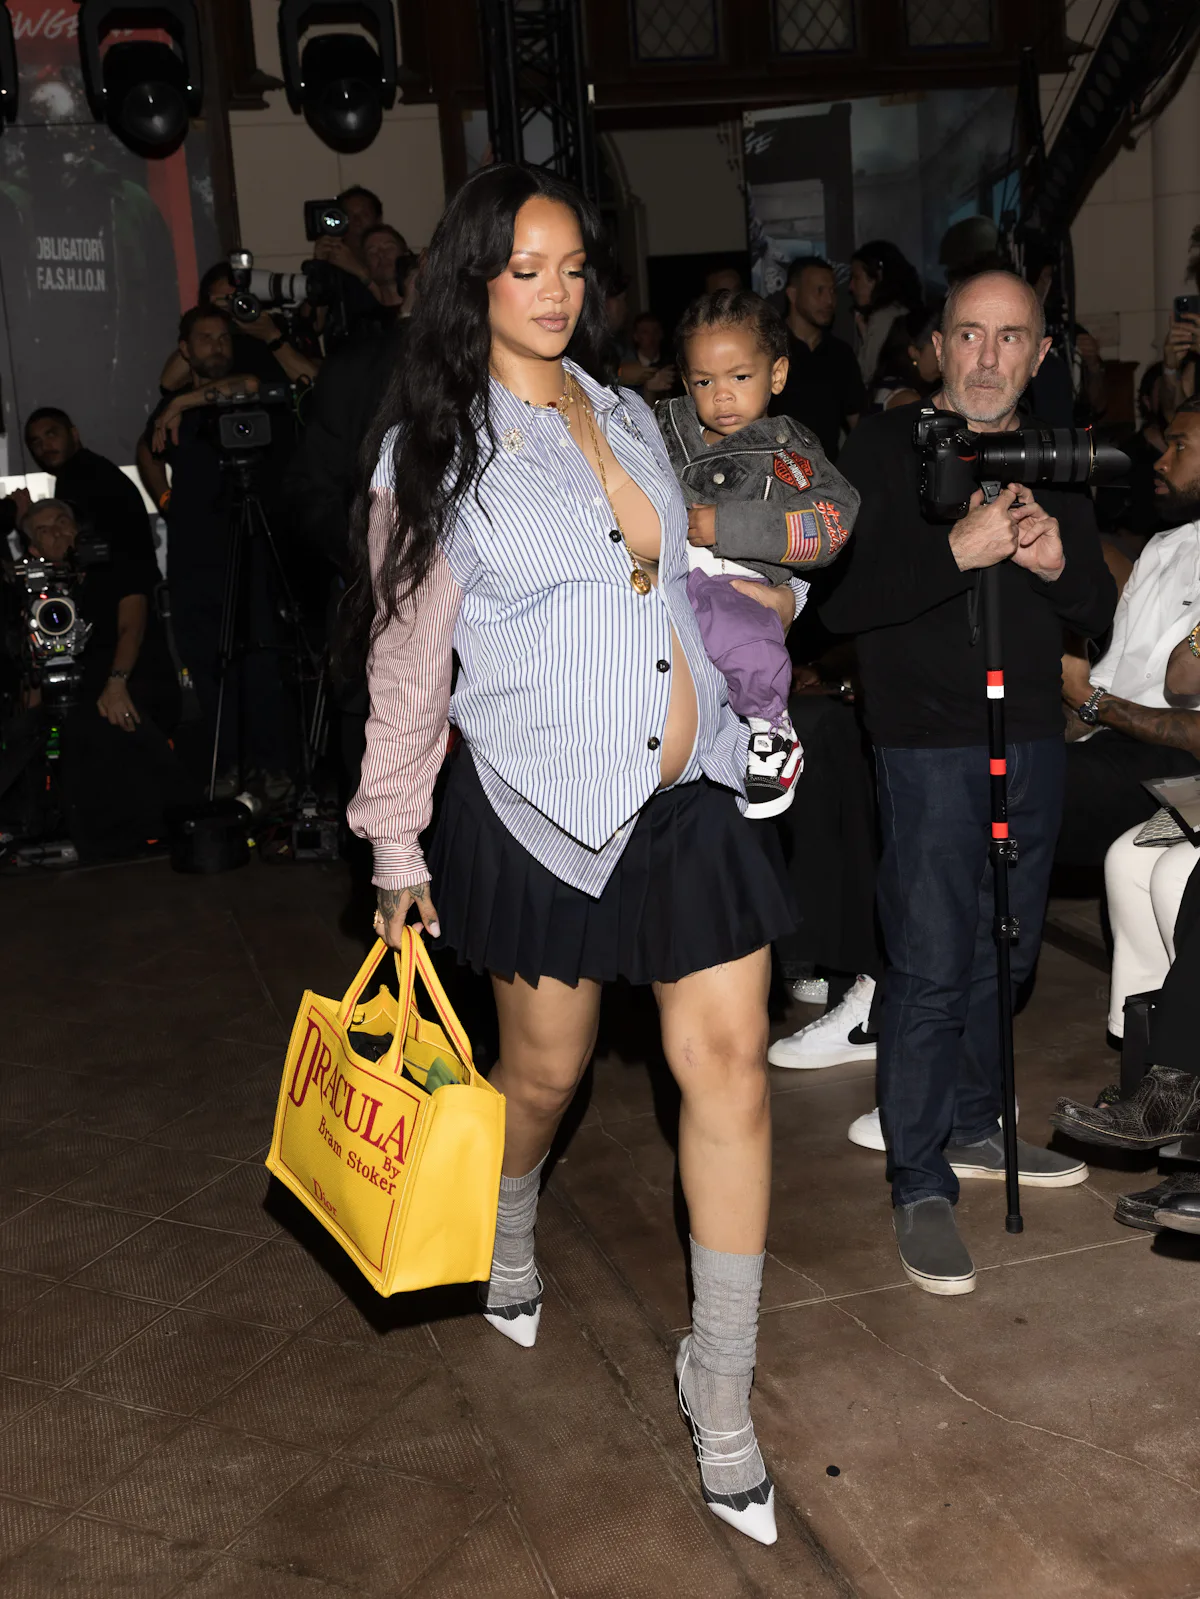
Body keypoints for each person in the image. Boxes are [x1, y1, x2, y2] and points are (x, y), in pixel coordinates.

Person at [345, 163, 800, 1546]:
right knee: (543, 1073)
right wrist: (394, 841)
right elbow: (408, 666)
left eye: (573, 268)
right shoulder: (432, 456)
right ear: (474, 278)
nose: (555, 293)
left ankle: (722, 1388)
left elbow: (685, 582)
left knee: (729, 1065)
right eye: (525, 267)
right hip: (541, 811)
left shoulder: (633, 412)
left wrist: (765, 607)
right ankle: (509, 1213)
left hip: (692, 800)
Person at [821, 270, 1117, 1295]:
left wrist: (1052, 564)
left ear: (1040, 355)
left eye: (1012, 337)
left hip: (1031, 734)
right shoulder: (879, 447)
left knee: (1012, 946)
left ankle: (976, 1123)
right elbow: (837, 607)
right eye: (971, 334)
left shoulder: (1051, 453)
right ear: (938, 346)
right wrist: (957, 550)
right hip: (925, 744)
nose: (989, 357)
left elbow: (1096, 607)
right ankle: (917, 1176)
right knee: (933, 959)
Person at [656, 288, 859, 816]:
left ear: (777, 374)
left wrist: (728, 526)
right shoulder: (661, 426)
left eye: (740, 377)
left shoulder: (787, 449)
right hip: (661, 581)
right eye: (705, 381)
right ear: (685, 382)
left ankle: (772, 730)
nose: (722, 396)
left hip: (734, 582)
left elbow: (834, 518)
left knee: (748, 641)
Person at [137, 306, 293, 792]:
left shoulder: (237, 391)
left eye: (223, 337)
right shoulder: (170, 407)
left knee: (260, 658)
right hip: (192, 553)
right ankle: (227, 767)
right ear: (185, 350)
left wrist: (184, 402)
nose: (217, 346)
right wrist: (165, 498)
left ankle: (273, 766)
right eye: (205, 339)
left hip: (248, 542)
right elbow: (146, 451)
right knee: (207, 663)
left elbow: (250, 383)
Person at [1057, 398, 1200, 869]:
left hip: (1186, 771)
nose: (1160, 461)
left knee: (1034, 788)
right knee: (995, 762)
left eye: (1180, 446)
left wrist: (1088, 700)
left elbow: (1182, 681)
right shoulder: (1165, 548)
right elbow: (1104, 683)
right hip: (1120, 747)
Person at [14, 498, 189, 858]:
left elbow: (131, 628)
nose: (58, 533)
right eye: (44, 530)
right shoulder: (39, 593)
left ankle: (149, 827)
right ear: (34, 549)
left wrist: (117, 682)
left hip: (133, 679)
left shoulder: (116, 564)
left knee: (103, 722)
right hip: (75, 692)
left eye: (62, 522)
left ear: (77, 526)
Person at [0, 408, 155, 565]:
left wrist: (25, 522)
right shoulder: (90, 468)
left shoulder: (79, 473)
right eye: (36, 442)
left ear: (74, 434)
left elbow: (64, 551)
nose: (45, 447)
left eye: (51, 435)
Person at [158, 262, 320, 392]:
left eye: (239, 297)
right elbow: (168, 382)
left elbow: (317, 382)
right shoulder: (212, 342)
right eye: (226, 299)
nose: (234, 305)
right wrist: (213, 316)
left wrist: (272, 337)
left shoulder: (278, 325)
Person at [769, 257, 865, 461]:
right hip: (775, 472)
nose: (829, 300)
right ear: (792, 294)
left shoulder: (840, 354)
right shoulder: (768, 350)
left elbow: (858, 423)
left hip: (827, 473)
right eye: (819, 291)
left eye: (832, 291)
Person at [848, 240, 923, 386]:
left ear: (877, 277)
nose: (851, 286)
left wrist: (867, 337)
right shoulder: (902, 310)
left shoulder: (883, 318)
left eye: (856, 278)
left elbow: (865, 375)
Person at [868, 308, 941, 412]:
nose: (943, 359)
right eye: (937, 351)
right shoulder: (908, 399)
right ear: (914, 352)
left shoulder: (890, 384)